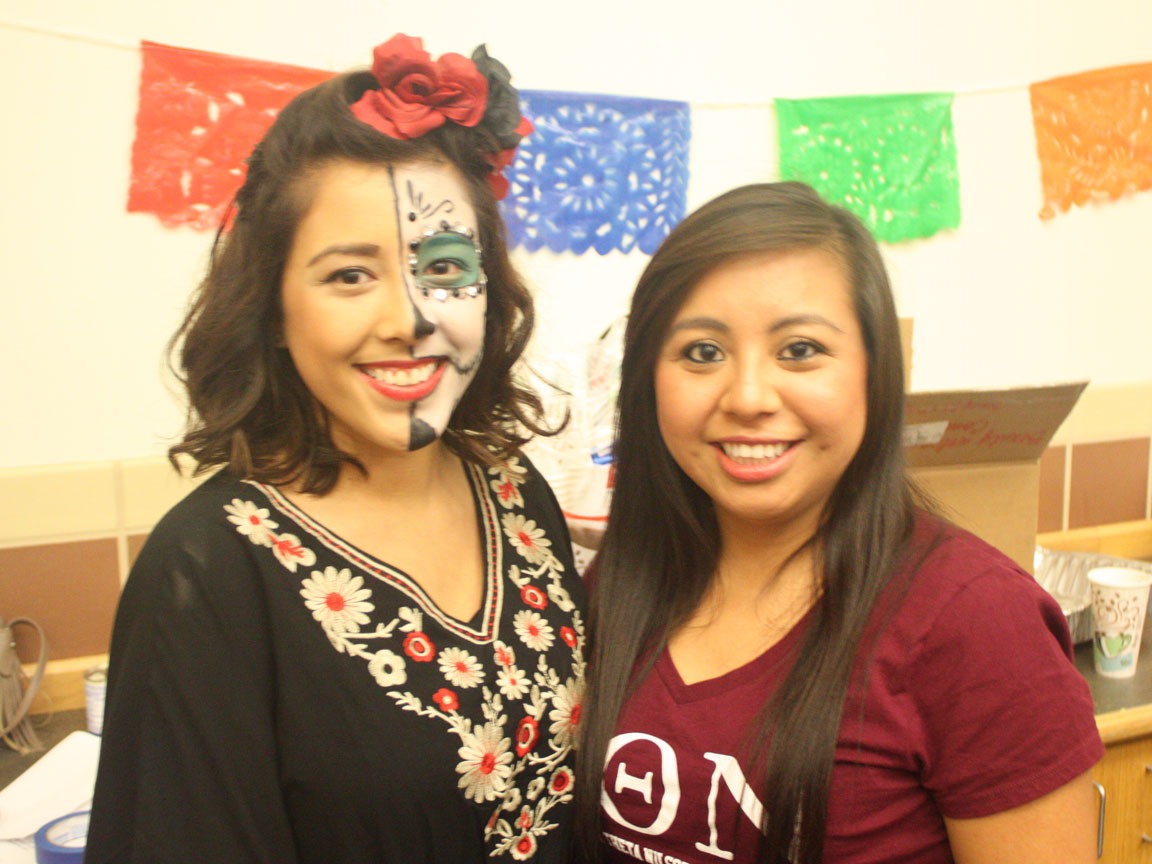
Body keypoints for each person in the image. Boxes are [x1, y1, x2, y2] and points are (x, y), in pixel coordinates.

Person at [86, 34, 586, 863]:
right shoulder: (206, 576)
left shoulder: (515, 493)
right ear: (273, 308)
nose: (410, 319)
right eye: (351, 275)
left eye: (447, 265)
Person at [575, 182, 1103, 863]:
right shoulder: (619, 582)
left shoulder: (975, 623)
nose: (749, 398)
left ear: (875, 373)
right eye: (702, 353)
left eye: (799, 350)